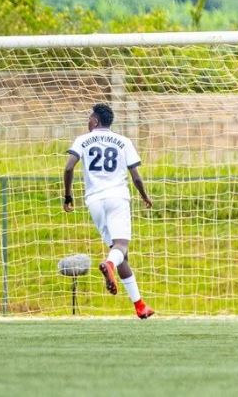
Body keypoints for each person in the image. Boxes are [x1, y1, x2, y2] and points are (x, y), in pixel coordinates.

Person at [63, 103, 155, 319]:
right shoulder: (124, 141)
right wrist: (144, 196)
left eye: (89, 118)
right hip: (118, 198)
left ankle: (140, 305)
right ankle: (109, 264)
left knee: (120, 251)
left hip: (94, 201)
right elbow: (136, 176)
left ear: (95, 121)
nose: (88, 121)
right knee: (120, 248)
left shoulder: (82, 140)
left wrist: (67, 196)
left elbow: (68, 168)